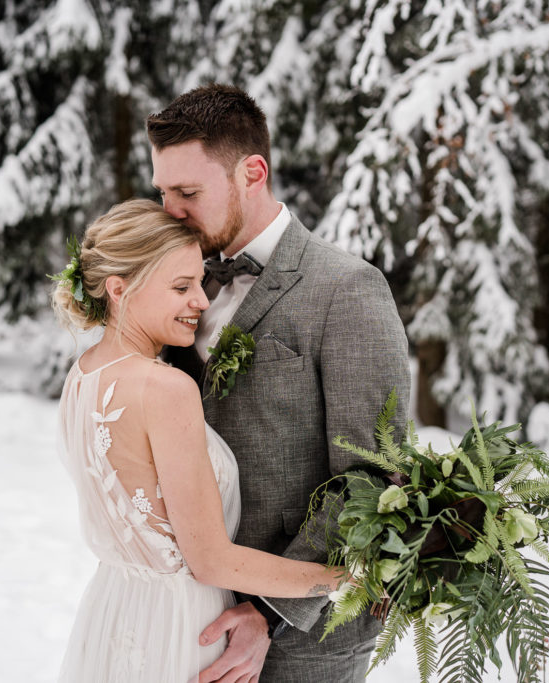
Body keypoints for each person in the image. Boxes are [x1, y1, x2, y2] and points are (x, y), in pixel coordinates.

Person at [147, 84, 411, 681]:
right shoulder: (178, 281)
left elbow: (373, 479)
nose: (171, 212)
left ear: (253, 172)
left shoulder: (347, 291)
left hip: (306, 637)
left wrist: (268, 610)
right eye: (163, 192)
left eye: (188, 192)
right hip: (188, 615)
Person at [52, 198, 349, 682]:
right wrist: (344, 579)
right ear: (119, 289)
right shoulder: (165, 388)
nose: (202, 301)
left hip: (113, 613)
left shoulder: (82, 376)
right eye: (181, 287)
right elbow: (210, 560)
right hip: (180, 629)